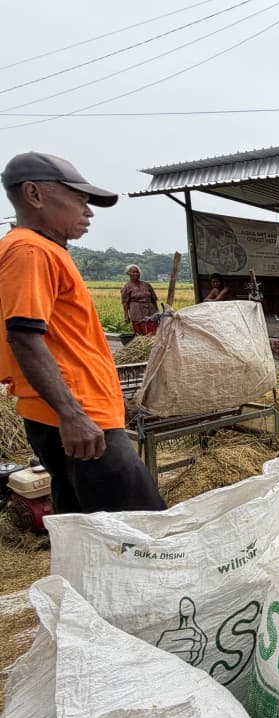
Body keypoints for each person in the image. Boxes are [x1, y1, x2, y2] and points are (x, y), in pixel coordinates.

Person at [0, 152, 166, 514]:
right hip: (80, 419)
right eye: (79, 198)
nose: (88, 210)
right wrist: (72, 415)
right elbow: (24, 337)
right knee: (143, 529)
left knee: (82, 525)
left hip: (75, 416)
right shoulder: (30, 250)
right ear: (34, 194)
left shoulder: (44, 250)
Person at [121, 263, 159, 336]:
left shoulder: (146, 285)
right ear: (128, 273)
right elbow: (125, 303)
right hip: (137, 312)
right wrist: (126, 315)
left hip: (150, 311)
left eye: (137, 272)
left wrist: (157, 312)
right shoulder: (126, 287)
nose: (136, 274)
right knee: (141, 334)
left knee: (153, 332)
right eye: (133, 272)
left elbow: (153, 299)